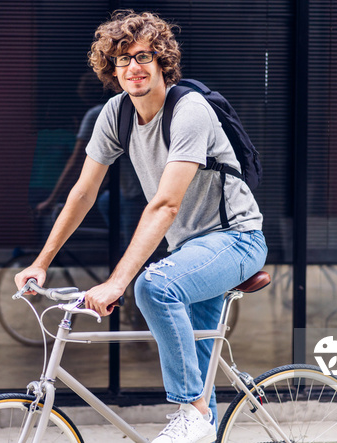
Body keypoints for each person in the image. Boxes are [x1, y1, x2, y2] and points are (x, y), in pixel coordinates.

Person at [15, 10, 266, 443]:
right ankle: (200, 415)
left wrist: (117, 283)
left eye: (144, 56)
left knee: (154, 287)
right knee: (198, 368)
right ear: (111, 69)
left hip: (236, 240)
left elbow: (165, 205)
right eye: (122, 59)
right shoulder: (116, 114)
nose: (134, 66)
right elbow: (83, 192)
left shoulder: (189, 110)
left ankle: (194, 412)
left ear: (163, 61)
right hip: (189, 251)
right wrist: (42, 262)